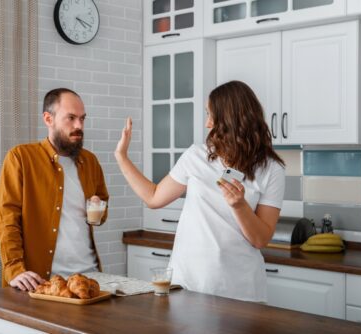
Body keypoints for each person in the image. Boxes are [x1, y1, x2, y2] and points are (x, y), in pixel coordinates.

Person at [115, 80, 285, 302]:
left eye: (211, 116)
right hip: (189, 282)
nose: (207, 124)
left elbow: (261, 240)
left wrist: (239, 205)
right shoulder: (196, 155)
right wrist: (121, 156)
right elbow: (154, 197)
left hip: (240, 289)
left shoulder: (271, 169)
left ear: (231, 119)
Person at [0, 88, 109, 292]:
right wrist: (14, 269)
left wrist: (97, 209)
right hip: (42, 284)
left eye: (82, 119)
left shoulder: (90, 161)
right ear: (48, 119)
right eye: (71, 118)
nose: (79, 126)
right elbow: (7, 221)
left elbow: (99, 213)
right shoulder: (20, 158)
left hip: (88, 278)